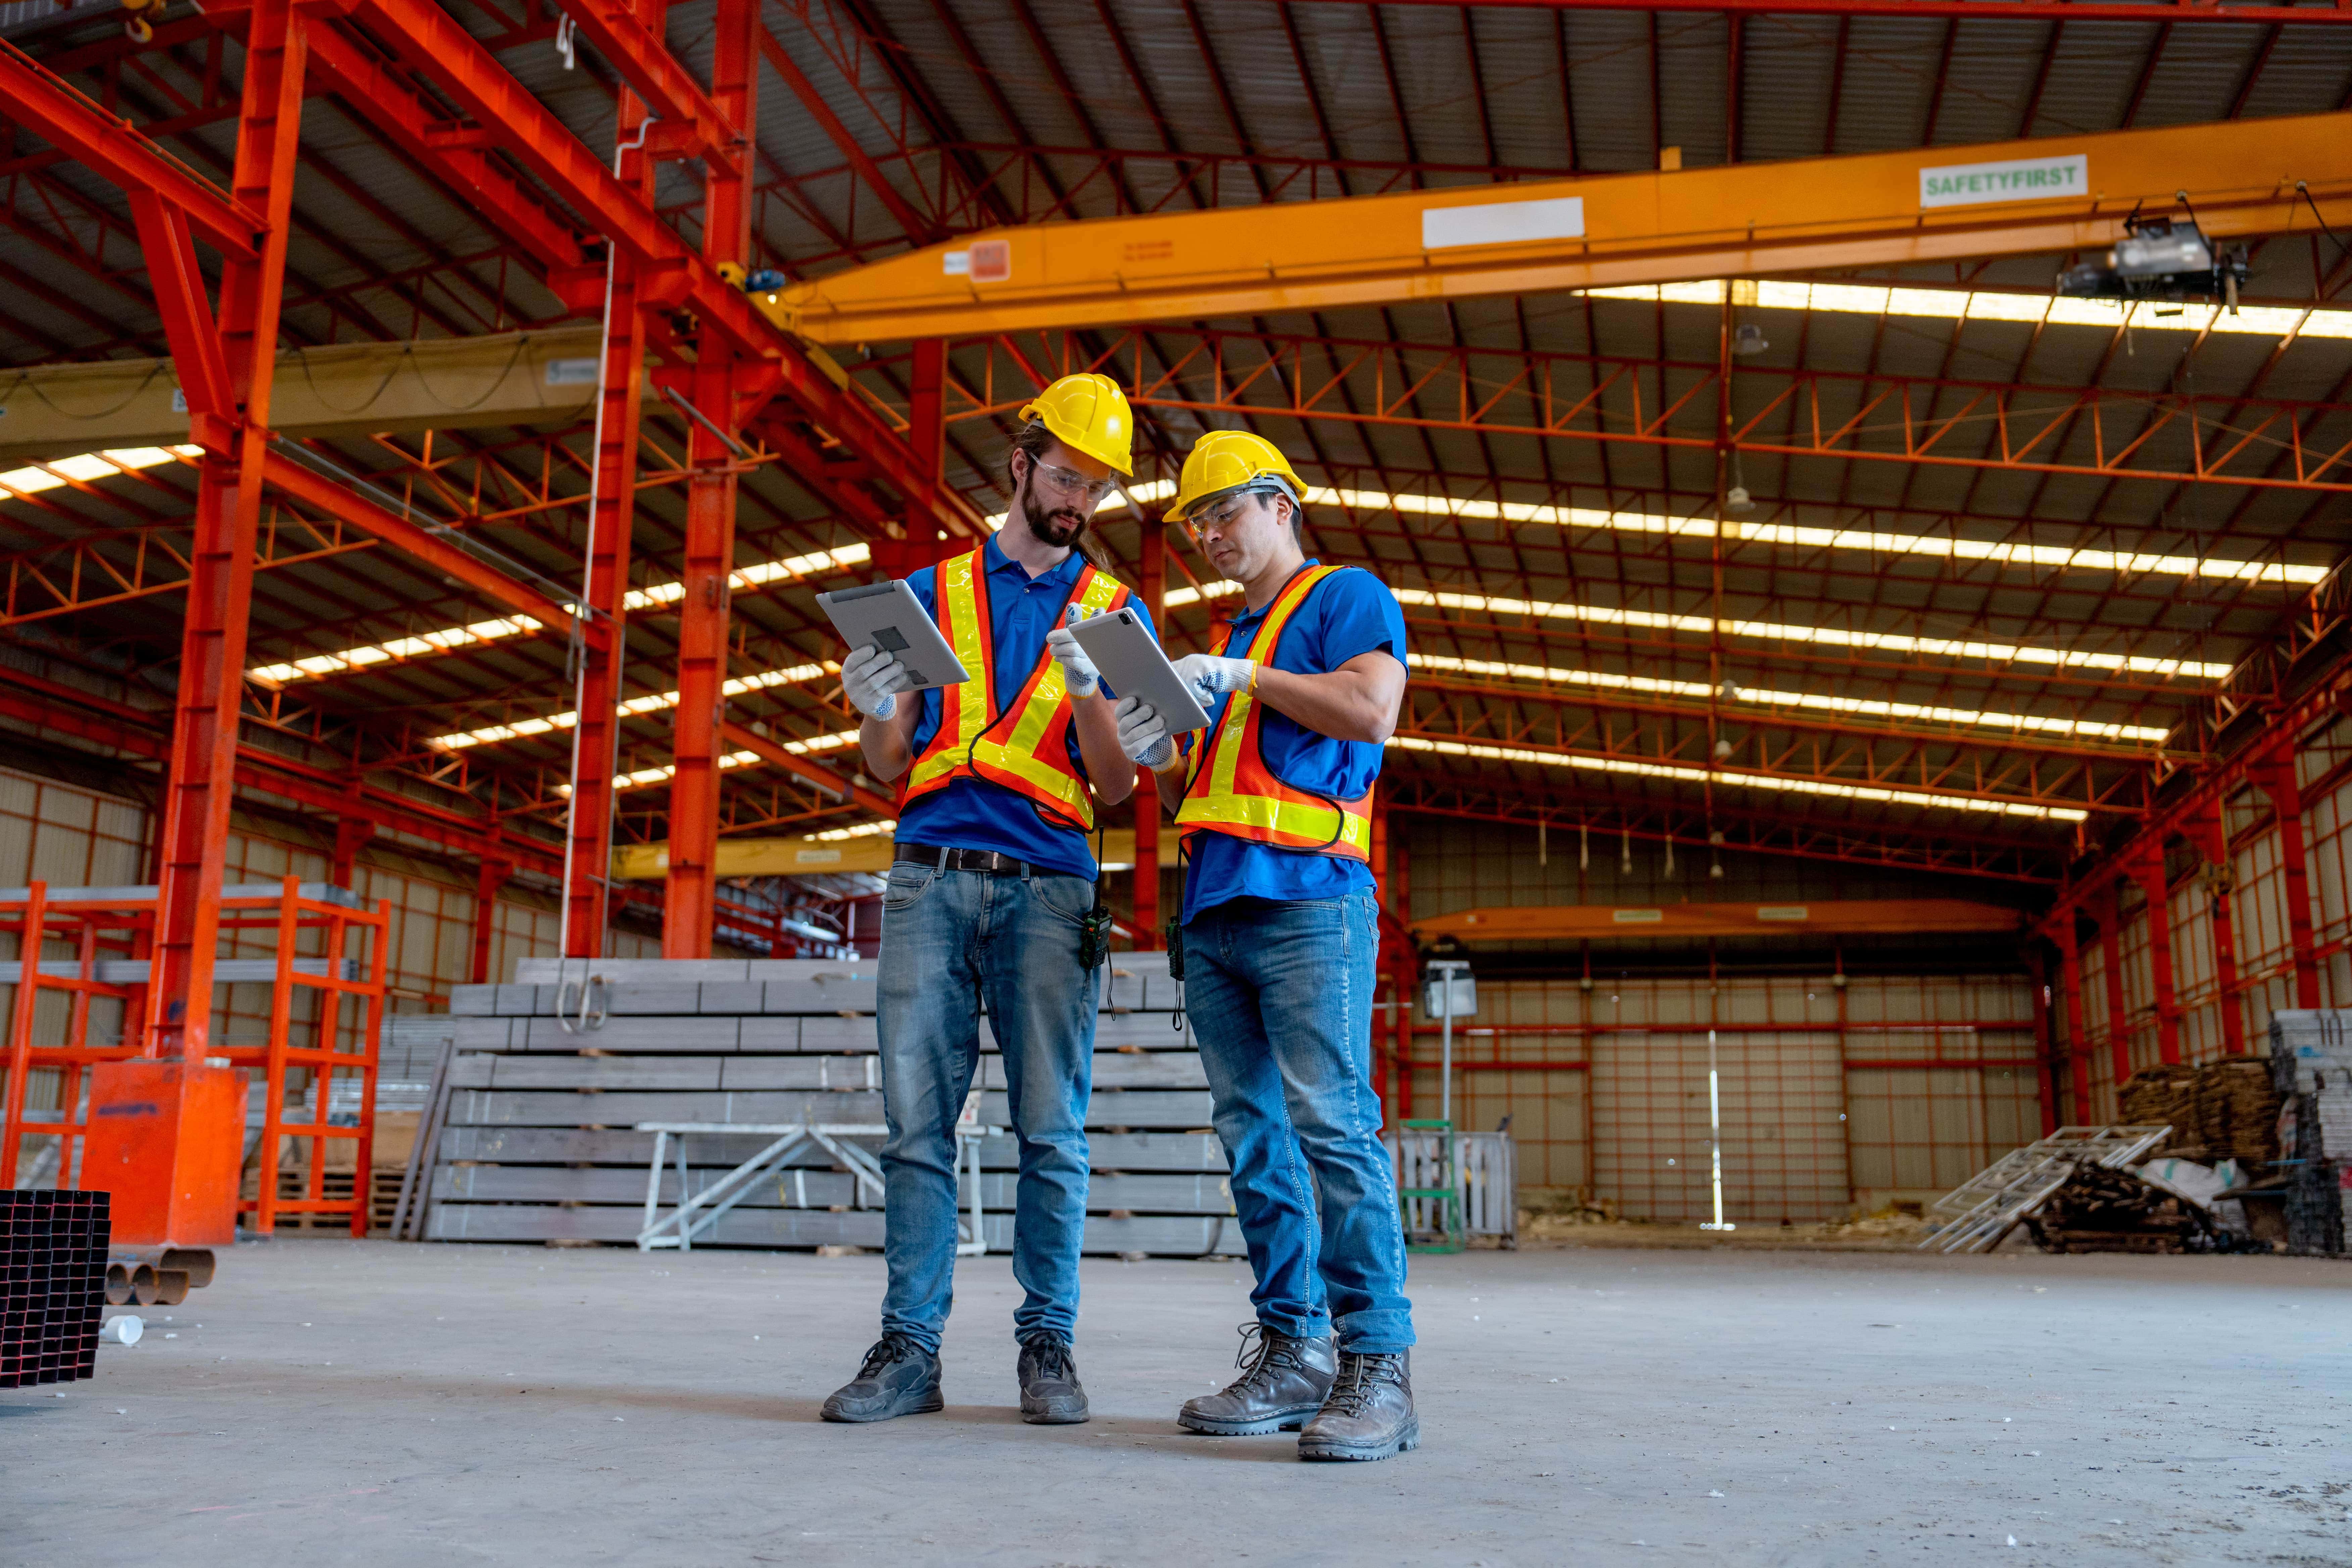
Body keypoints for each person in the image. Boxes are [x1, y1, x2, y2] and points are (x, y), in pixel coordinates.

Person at [821, 373, 1156, 1427]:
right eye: (1066, 478)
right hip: (928, 879)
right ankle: (909, 1351)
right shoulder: (927, 593)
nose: (1079, 503)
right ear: (1020, 465)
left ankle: (1046, 1350)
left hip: (1051, 891)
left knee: (1051, 1132)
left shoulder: (1115, 613)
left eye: (1098, 488)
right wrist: (874, 704)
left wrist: (1096, 697)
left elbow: (1116, 787)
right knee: (916, 1128)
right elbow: (887, 759)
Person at [1112, 430, 1418, 1462]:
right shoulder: (1220, 644)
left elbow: (1372, 710)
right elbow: (1198, 786)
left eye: (1224, 514)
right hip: (1216, 908)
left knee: (1333, 1128)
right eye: (1195, 523)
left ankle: (1378, 1364)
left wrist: (1239, 673)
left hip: (1310, 905)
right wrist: (1159, 745)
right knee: (1256, 1142)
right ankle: (1294, 1352)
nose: (1207, 536)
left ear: (1281, 505)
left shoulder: (1345, 597)